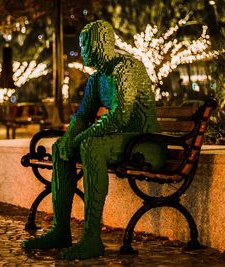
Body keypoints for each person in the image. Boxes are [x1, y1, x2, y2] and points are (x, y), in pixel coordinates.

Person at [23, 20, 166, 260]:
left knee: (91, 146)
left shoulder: (125, 68)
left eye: (86, 45)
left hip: (145, 144)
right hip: (123, 142)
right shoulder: (97, 78)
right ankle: (60, 230)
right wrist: (70, 139)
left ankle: (91, 238)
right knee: (60, 148)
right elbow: (82, 115)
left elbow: (121, 115)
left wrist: (81, 138)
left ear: (102, 44)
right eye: (82, 45)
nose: (83, 51)